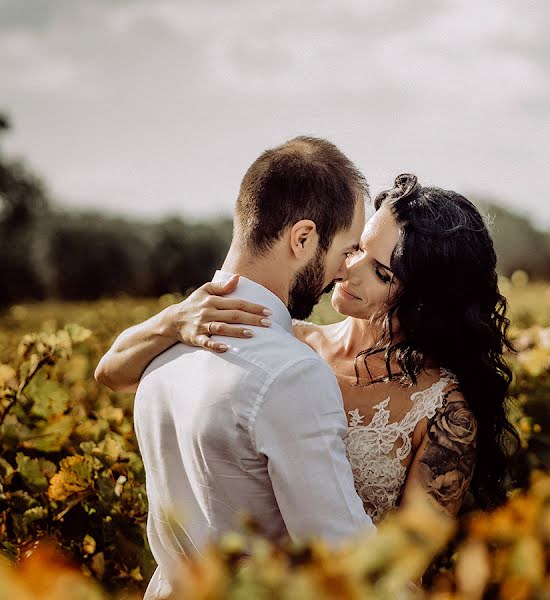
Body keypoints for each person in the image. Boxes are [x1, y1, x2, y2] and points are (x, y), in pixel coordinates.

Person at [97, 173, 519, 524]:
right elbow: (111, 373)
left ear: (426, 299)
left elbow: (406, 562)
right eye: (357, 248)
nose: (348, 268)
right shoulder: (283, 342)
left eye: (381, 273)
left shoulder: (445, 410)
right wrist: (173, 320)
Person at [95, 136, 375, 599]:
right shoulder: (293, 374)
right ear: (302, 238)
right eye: (345, 250)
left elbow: (109, 372)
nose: (345, 270)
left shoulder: (161, 351)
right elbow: (340, 550)